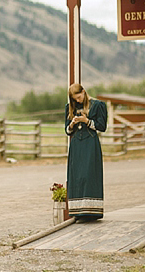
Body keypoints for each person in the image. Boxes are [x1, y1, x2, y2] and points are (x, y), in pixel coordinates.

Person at [65, 83, 107, 221]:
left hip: (90, 144)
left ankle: (91, 212)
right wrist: (72, 124)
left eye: (79, 97)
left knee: (89, 175)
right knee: (77, 176)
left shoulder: (97, 105)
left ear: (83, 92)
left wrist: (87, 121)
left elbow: (102, 126)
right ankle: (78, 211)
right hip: (77, 145)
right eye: (75, 99)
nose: (78, 100)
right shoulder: (70, 108)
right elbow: (67, 131)